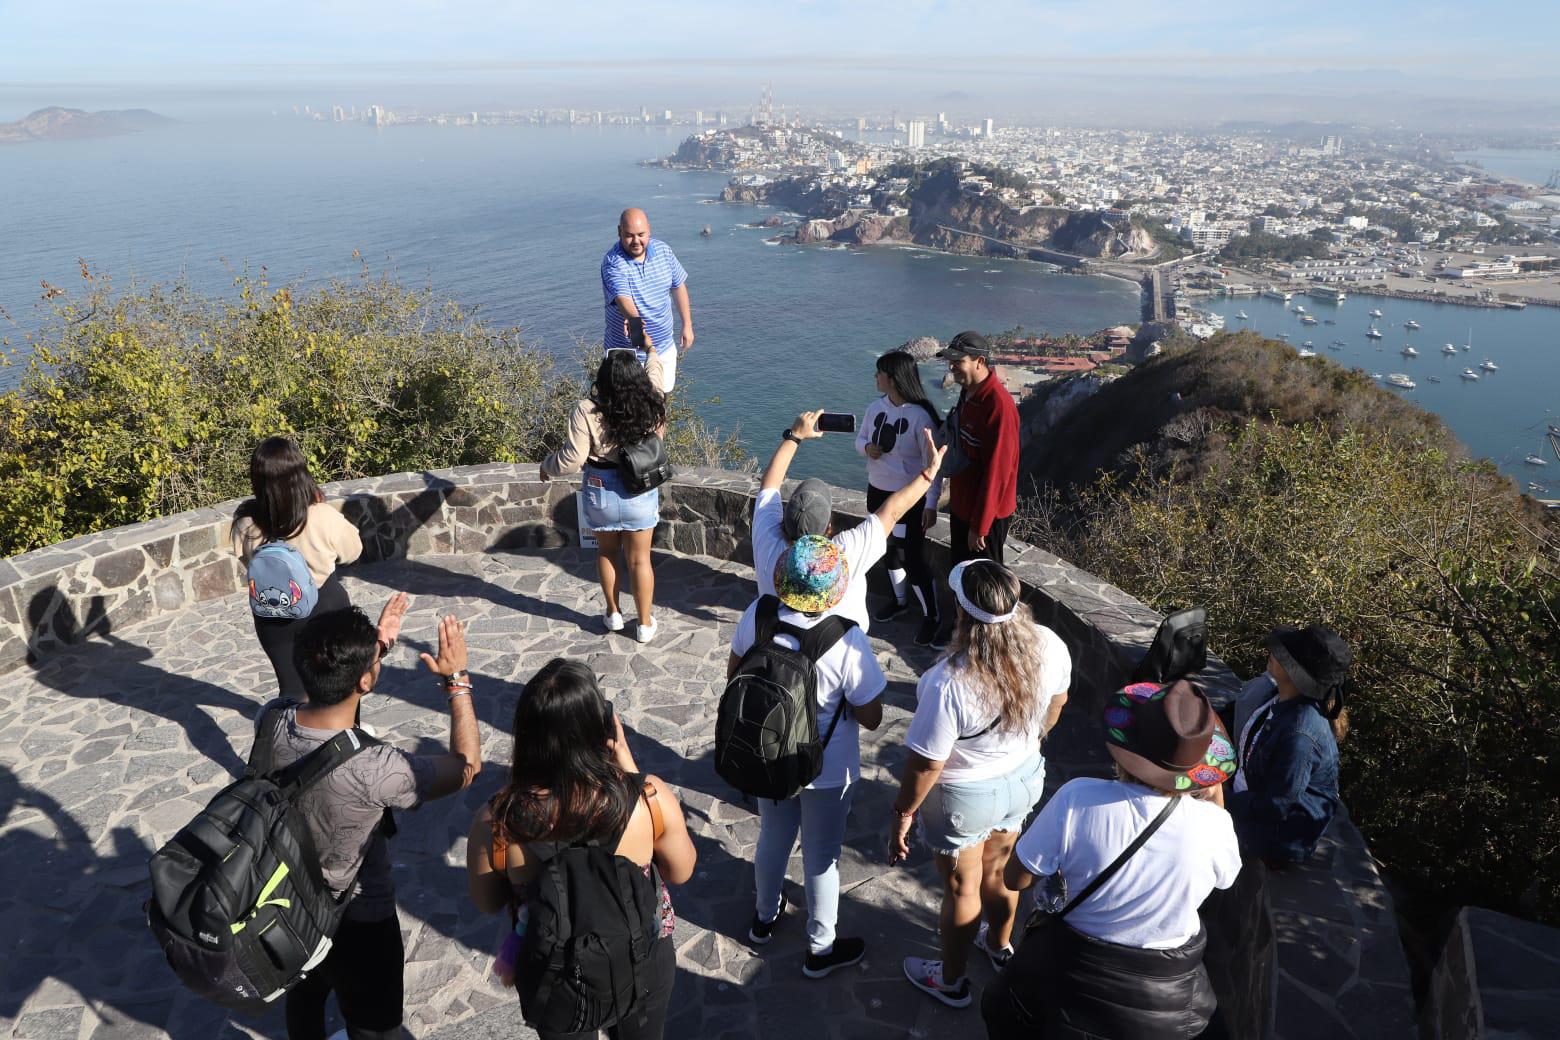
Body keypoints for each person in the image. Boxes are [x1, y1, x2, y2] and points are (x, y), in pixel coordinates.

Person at [256, 597, 482, 1040]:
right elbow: (467, 766)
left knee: (304, 1000)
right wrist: (457, 681)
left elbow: (331, 717)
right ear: (364, 681)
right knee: (377, 1027)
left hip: (288, 903)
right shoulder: (380, 770)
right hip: (360, 919)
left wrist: (373, 650)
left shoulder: (273, 720)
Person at [984, 679, 1241, 1039]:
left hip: (1067, 983)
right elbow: (1224, 879)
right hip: (1167, 1003)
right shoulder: (1215, 826)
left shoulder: (1078, 798)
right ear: (1197, 768)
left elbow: (1015, 879)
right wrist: (1212, 795)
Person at [466, 658, 697, 1040]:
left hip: (553, 972)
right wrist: (631, 771)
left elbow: (487, 902)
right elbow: (682, 870)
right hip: (642, 958)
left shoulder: (496, 821)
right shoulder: (649, 799)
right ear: (602, 728)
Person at [887, 560, 1071, 1009]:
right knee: (1000, 871)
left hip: (965, 798)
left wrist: (903, 814)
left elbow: (927, 765)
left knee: (962, 888)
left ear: (962, 611)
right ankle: (998, 945)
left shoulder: (948, 681)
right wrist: (1028, 741)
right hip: (1024, 779)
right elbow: (1056, 705)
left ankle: (950, 982)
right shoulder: (1048, 644)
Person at [729, 535, 888, 978]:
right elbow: (872, 717)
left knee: (772, 838)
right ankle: (820, 949)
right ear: (835, 588)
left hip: (767, 755)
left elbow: (734, 677)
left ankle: (763, 919)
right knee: (820, 855)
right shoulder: (846, 639)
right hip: (827, 768)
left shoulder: (758, 613)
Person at [752, 409, 944, 631]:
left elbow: (768, 485)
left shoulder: (766, 539)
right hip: (831, 652)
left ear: (785, 518)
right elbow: (892, 512)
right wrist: (930, 471)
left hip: (777, 639)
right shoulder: (844, 553)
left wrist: (795, 435)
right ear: (829, 527)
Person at [541, 346, 669, 643]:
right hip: (639, 487)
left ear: (602, 378)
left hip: (601, 490)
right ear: (637, 378)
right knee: (640, 560)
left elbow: (571, 461)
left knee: (607, 553)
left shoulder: (586, 410)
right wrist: (651, 350)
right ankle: (645, 625)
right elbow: (656, 374)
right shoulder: (652, 401)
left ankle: (612, 614)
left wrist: (546, 466)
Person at [231, 436, 363, 700]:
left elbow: (249, 563)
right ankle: (345, 735)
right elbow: (353, 552)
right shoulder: (322, 516)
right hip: (325, 606)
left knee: (292, 692)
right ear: (300, 473)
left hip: (273, 615)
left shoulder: (245, 523)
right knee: (342, 685)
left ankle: (290, 738)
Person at [1228, 624, 1349, 868]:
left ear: (1297, 672)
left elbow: (1277, 805)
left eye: (1285, 654)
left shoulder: (1300, 732)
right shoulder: (1279, 697)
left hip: (1277, 837)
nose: (1273, 653)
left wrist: (1222, 800)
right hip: (1252, 799)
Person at [931, 331, 1019, 646]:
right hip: (963, 506)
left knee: (987, 586)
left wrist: (980, 525)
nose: (952, 367)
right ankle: (964, 636)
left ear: (980, 361)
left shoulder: (999, 406)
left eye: (959, 361)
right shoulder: (969, 394)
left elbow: (998, 472)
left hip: (986, 516)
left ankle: (994, 645)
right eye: (951, 361)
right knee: (962, 576)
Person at [856, 350, 943, 645]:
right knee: (888, 551)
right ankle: (900, 601)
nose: (875, 377)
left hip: (909, 498)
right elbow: (860, 439)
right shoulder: (874, 408)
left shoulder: (921, 417)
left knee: (913, 557)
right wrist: (867, 448)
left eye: (879, 373)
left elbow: (934, 465)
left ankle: (933, 616)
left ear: (892, 379)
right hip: (877, 492)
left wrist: (930, 503)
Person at [601, 208, 693, 392]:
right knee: (625, 413)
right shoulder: (613, 262)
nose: (636, 241)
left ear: (649, 230)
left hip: (664, 348)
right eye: (629, 235)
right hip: (626, 358)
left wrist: (687, 324)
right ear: (619, 231)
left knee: (659, 406)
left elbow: (678, 285)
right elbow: (623, 298)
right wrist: (635, 324)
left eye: (641, 234)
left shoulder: (663, 252)